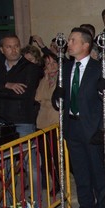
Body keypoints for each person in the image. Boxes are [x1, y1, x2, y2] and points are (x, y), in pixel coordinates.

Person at [54, 27, 105, 208]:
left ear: (85, 45)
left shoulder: (98, 68)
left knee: (97, 172)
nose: (69, 43)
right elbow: (59, 95)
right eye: (69, 39)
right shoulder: (65, 68)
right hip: (72, 126)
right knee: (80, 172)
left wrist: (102, 128)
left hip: (91, 128)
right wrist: (57, 96)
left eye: (73, 40)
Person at [0, 34, 42, 138]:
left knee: (25, 153)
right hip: (0, 120)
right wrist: (6, 85)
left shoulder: (30, 68)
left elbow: (23, 94)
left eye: (16, 46)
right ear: (2, 49)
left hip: (22, 122)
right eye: (9, 47)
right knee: (2, 154)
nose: (14, 50)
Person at [34, 53, 61, 193]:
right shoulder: (43, 80)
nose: (51, 67)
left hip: (55, 122)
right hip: (42, 122)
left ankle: (59, 182)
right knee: (45, 156)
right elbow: (38, 97)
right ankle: (54, 181)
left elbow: (53, 100)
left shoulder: (62, 78)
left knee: (56, 156)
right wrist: (45, 79)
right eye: (48, 64)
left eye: (54, 63)